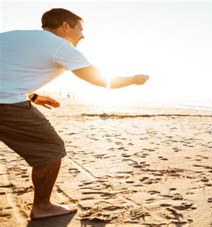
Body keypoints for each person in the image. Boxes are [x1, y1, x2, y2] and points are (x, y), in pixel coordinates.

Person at [0, 8, 149, 220]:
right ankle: (42, 207)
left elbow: (7, 72)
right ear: (65, 26)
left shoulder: (14, 36)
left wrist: (34, 97)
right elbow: (97, 78)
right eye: (80, 29)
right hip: (6, 104)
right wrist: (133, 79)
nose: (83, 35)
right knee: (50, 150)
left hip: (7, 98)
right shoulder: (59, 45)